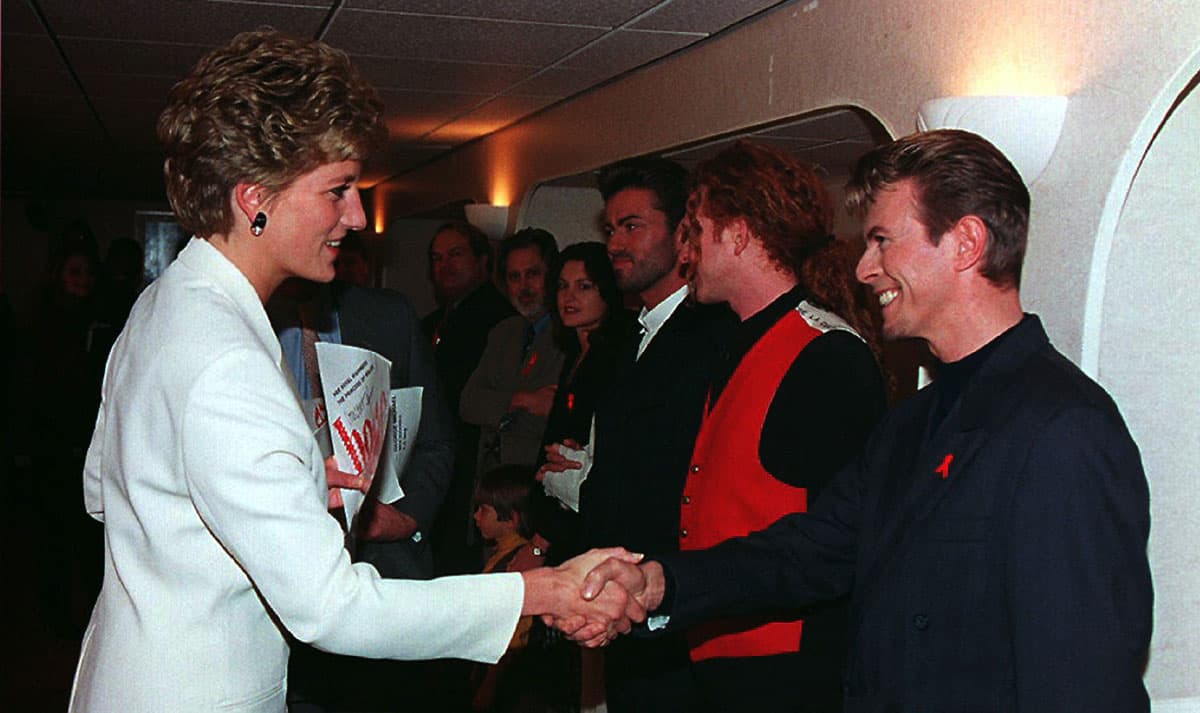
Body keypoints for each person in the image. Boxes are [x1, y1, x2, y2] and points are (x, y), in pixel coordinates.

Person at [69, 30, 641, 713]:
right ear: (256, 198)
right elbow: (332, 610)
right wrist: (538, 590)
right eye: (338, 190)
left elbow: (104, 491)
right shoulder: (228, 362)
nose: (358, 216)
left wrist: (292, 484)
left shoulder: (162, 302)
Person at [581, 129, 1154, 713]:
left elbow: (1083, 683)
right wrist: (656, 582)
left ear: (965, 244)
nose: (862, 268)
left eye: (881, 241)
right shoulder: (912, 423)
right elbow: (807, 552)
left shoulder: (1062, 429)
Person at [671, 140, 887, 712]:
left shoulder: (826, 355)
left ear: (738, 235)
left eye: (697, 229)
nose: (685, 251)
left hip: (789, 666)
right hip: (723, 652)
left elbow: (843, 541)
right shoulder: (736, 340)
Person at [542, 157, 736, 713]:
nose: (615, 244)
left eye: (633, 226)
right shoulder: (633, 336)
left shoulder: (712, 336)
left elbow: (685, 479)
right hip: (628, 605)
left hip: (675, 611)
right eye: (611, 229)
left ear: (683, 235)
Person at [422, 220, 516, 574]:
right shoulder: (432, 322)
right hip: (441, 468)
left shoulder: (499, 320)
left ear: (482, 261)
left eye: (455, 254)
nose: (444, 265)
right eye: (436, 258)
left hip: (475, 466)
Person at [461, 228, 565, 482]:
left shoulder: (569, 335)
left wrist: (498, 404)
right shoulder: (504, 332)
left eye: (533, 274)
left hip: (536, 479)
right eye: (514, 277)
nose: (523, 286)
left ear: (552, 276)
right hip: (489, 479)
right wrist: (524, 400)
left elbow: (552, 414)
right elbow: (468, 403)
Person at [472, 465, 548, 713]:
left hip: (504, 674)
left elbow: (514, 632)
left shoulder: (518, 564)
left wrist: (490, 684)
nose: (476, 516)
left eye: (483, 510)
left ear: (512, 519)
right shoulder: (502, 552)